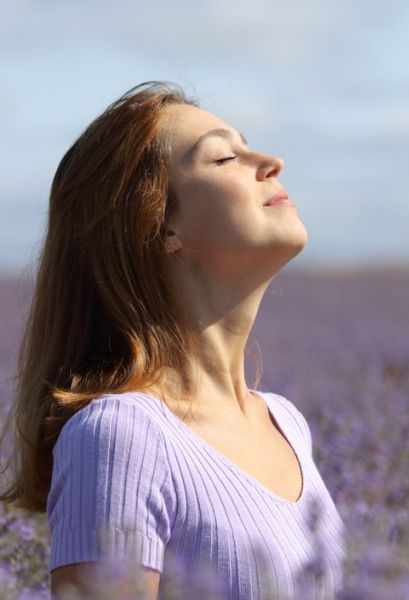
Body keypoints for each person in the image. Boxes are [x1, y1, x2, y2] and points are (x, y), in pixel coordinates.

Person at [0, 81, 347, 599]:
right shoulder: (120, 437)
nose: (270, 160)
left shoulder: (286, 424)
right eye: (225, 156)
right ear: (161, 227)